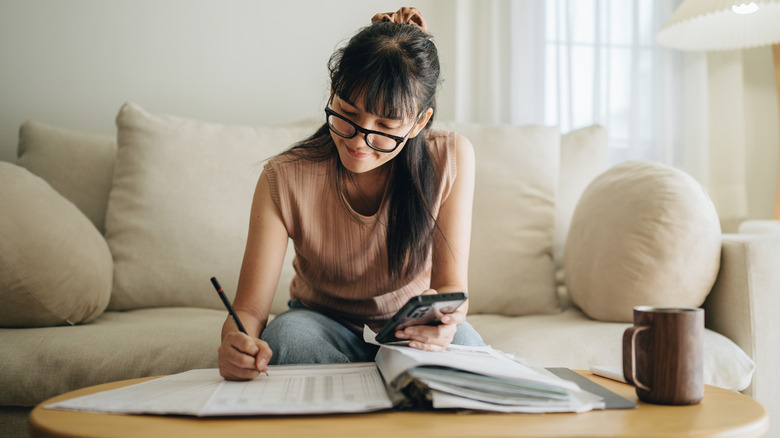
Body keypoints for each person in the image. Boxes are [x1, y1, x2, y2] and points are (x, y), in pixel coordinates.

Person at [218, 7, 484, 381]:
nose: (360, 141)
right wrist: (236, 339)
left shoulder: (450, 157)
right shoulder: (284, 176)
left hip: (409, 327)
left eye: (386, 127)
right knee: (286, 340)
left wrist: (446, 322)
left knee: (469, 352)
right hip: (320, 322)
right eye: (346, 114)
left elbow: (451, 288)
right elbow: (248, 310)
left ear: (419, 122)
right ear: (333, 87)